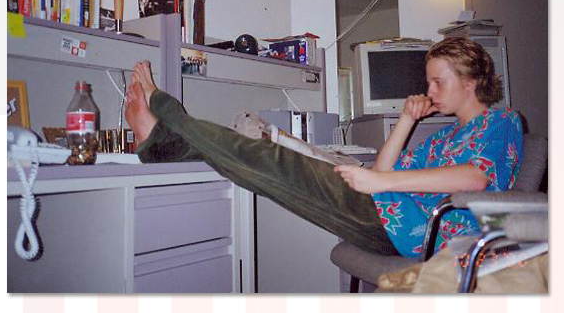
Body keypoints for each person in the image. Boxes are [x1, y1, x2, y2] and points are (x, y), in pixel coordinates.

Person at [125, 37, 523, 258]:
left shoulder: (502, 122)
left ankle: (164, 113)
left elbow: (475, 178)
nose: (429, 90)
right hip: (380, 208)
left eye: (439, 82)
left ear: (471, 82)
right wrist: (405, 120)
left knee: (270, 160)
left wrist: (380, 184)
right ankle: (162, 144)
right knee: (264, 164)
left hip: (410, 230)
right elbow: (383, 170)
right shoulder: (443, 137)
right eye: (429, 81)